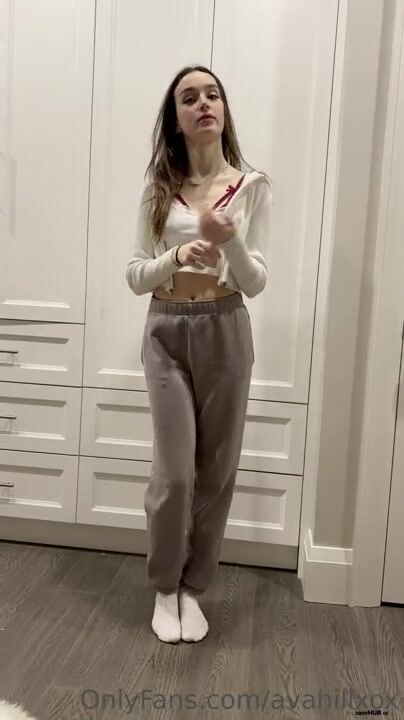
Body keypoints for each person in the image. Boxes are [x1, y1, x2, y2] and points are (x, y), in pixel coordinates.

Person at [126, 64, 272, 644]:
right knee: (174, 474)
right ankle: (165, 586)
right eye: (189, 97)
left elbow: (255, 283)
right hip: (166, 331)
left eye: (212, 94)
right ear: (176, 119)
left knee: (216, 470)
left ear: (223, 110)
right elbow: (134, 275)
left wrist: (229, 239)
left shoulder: (251, 186)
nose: (204, 103)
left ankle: (192, 588)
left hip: (226, 329)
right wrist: (177, 256)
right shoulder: (158, 189)